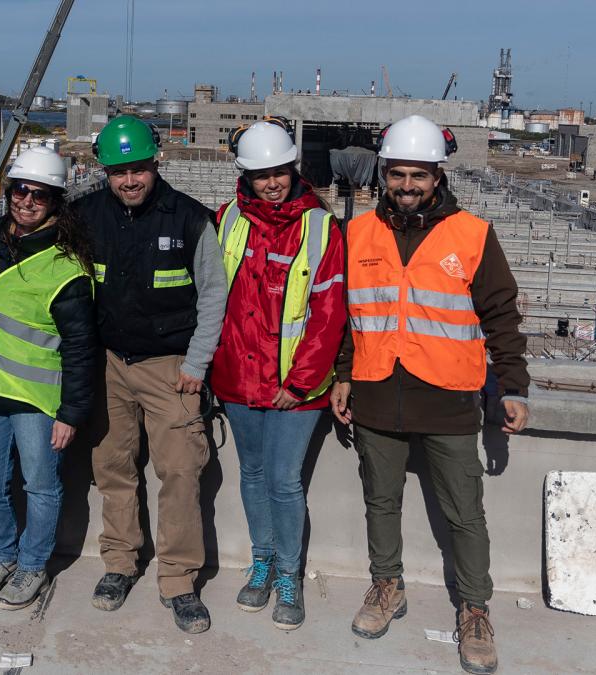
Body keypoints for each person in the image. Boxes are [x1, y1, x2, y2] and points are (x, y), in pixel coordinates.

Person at [330, 115, 529, 675]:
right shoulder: (359, 234)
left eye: (419, 174)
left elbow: (501, 318)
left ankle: (474, 608)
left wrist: (512, 387)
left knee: (464, 512)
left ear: (437, 177)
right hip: (374, 392)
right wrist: (343, 373)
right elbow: (348, 316)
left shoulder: (472, 234)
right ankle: (386, 586)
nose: (408, 185)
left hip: (447, 398)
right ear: (384, 175)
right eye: (398, 174)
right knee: (381, 500)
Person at [75, 115, 227, 633]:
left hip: (172, 369)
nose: (129, 181)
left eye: (138, 169)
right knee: (113, 469)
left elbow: (213, 294)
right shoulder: (85, 215)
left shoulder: (188, 218)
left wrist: (196, 364)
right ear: (104, 171)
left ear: (155, 162)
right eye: (118, 172)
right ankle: (119, 563)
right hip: (109, 364)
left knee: (181, 472)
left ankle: (179, 580)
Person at [210, 118, 346, 631]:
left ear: (293, 169)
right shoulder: (227, 220)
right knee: (253, 476)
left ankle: (289, 573)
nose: (271, 182)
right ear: (246, 175)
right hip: (238, 380)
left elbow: (329, 312)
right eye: (261, 173)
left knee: (285, 482)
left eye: (279, 172)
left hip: (296, 387)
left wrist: (302, 382)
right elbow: (211, 301)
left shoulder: (320, 227)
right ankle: (261, 560)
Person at [0, 147, 96, 610]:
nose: (27, 201)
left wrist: (71, 414)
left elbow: (82, 350)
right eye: (20, 189)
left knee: (40, 486)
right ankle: (3, 556)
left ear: (56, 202)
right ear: (8, 191)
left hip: (39, 402)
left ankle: (33, 565)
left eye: (40, 195)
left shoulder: (66, 268)